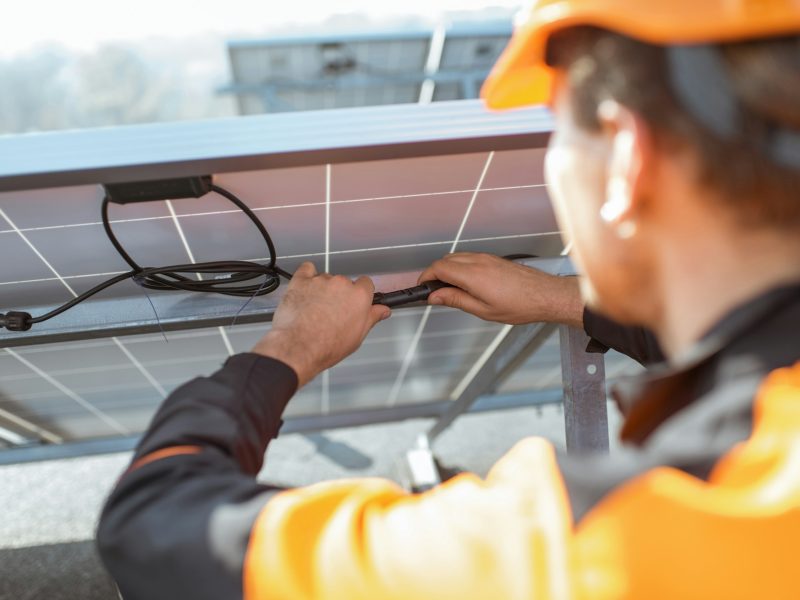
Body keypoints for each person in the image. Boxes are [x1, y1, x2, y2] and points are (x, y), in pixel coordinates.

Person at [97, 1, 800, 598]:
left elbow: (155, 524)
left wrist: (290, 349)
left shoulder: (595, 547)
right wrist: (560, 298)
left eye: (559, 130)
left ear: (625, 158)